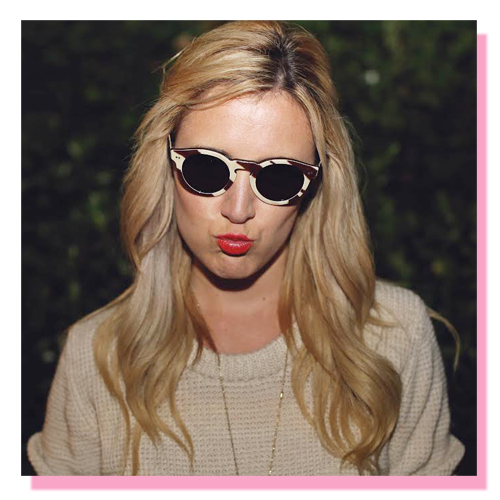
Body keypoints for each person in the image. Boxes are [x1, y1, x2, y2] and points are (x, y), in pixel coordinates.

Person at [27, 20, 465, 476]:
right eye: (206, 169)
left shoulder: (392, 339)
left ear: (316, 186)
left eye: (279, 177)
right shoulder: (96, 359)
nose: (238, 210)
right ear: (164, 165)